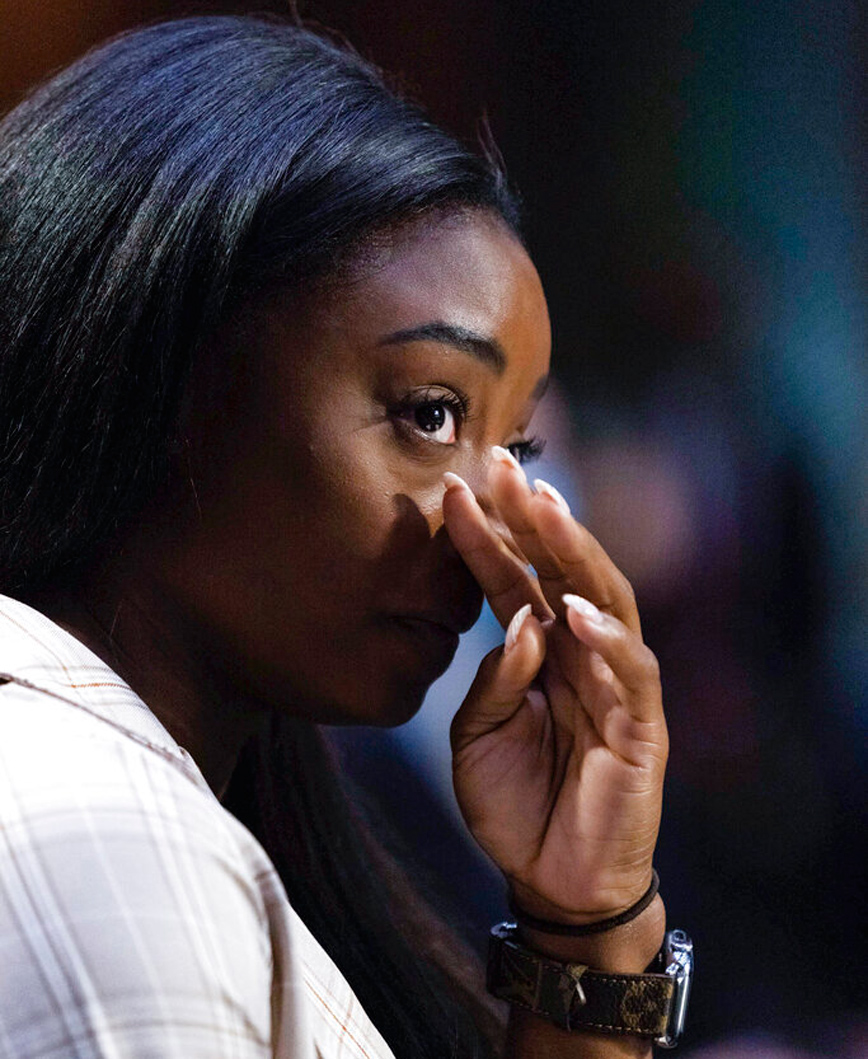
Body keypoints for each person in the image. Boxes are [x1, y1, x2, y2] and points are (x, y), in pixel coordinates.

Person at [0, 16, 673, 1059]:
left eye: (516, 449)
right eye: (430, 413)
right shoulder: (105, 846)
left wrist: (586, 926)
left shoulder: (196, 813)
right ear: (159, 362)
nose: (490, 531)